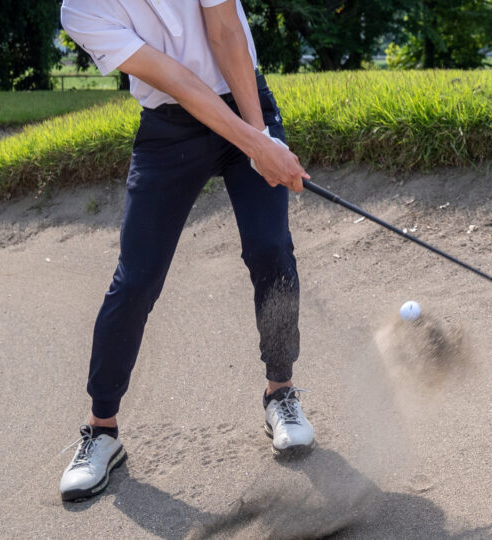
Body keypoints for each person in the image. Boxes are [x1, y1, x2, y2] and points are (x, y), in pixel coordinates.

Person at [58, 0, 314, 502]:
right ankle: (102, 429)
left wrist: (259, 135)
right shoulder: (80, 10)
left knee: (271, 249)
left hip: (244, 99)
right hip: (169, 126)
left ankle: (280, 392)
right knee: (136, 279)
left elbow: (225, 35)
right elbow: (176, 78)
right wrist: (255, 145)